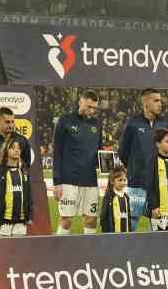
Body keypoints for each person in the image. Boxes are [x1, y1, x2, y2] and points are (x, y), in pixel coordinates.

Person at [0, 105, 35, 238]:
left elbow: (25, 163)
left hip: (14, 193)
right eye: (7, 122)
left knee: (13, 235)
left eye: (12, 121)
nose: (11, 125)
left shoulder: (21, 141)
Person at [52, 90, 103, 235]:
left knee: (91, 219)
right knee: (66, 220)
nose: (91, 110)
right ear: (80, 102)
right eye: (89, 106)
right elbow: (57, 151)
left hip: (90, 180)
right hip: (69, 179)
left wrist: (105, 163)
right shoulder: (65, 120)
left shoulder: (97, 124)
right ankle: (59, 254)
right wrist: (57, 182)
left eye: (94, 108)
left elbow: (99, 151)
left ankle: (88, 254)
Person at [116, 89, 166, 223]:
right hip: (137, 183)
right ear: (146, 104)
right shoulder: (132, 124)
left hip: (157, 182)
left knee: (158, 222)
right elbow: (123, 152)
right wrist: (135, 167)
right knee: (131, 222)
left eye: (160, 100)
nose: (160, 103)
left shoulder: (163, 123)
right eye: (156, 100)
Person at [0, 138, 32, 237]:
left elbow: (28, 194)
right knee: (3, 251)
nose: (17, 150)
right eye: (13, 148)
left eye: (18, 148)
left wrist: (29, 215)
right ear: (6, 150)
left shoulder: (24, 170)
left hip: (21, 221)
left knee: (19, 251)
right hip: (4, 221)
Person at [99, 165, 135, 234]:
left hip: (125, 234)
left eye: (124, 180)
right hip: (112, 236)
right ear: (112, 181)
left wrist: (129, 231)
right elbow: (103, 216)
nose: (123, 182)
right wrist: (106, 232)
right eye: (120, 180)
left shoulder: (126, 197)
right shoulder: (109, 197)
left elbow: (128, 217)